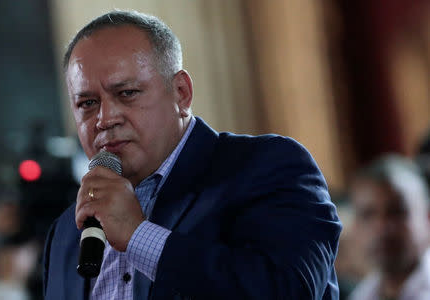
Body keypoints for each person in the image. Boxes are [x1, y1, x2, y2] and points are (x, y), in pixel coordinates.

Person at [42, 10, 342, 300]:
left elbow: (289, 291)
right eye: (88, 103)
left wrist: (138, 237)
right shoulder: (67, 233)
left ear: (181, 93)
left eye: (127, 93)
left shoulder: (268, 167)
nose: (105, 119)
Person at [348, 155, 430, 300]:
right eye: (367, 215)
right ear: (355, 226)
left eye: (397, 211)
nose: (381, 227)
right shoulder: (362, 295)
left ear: (427, 217)